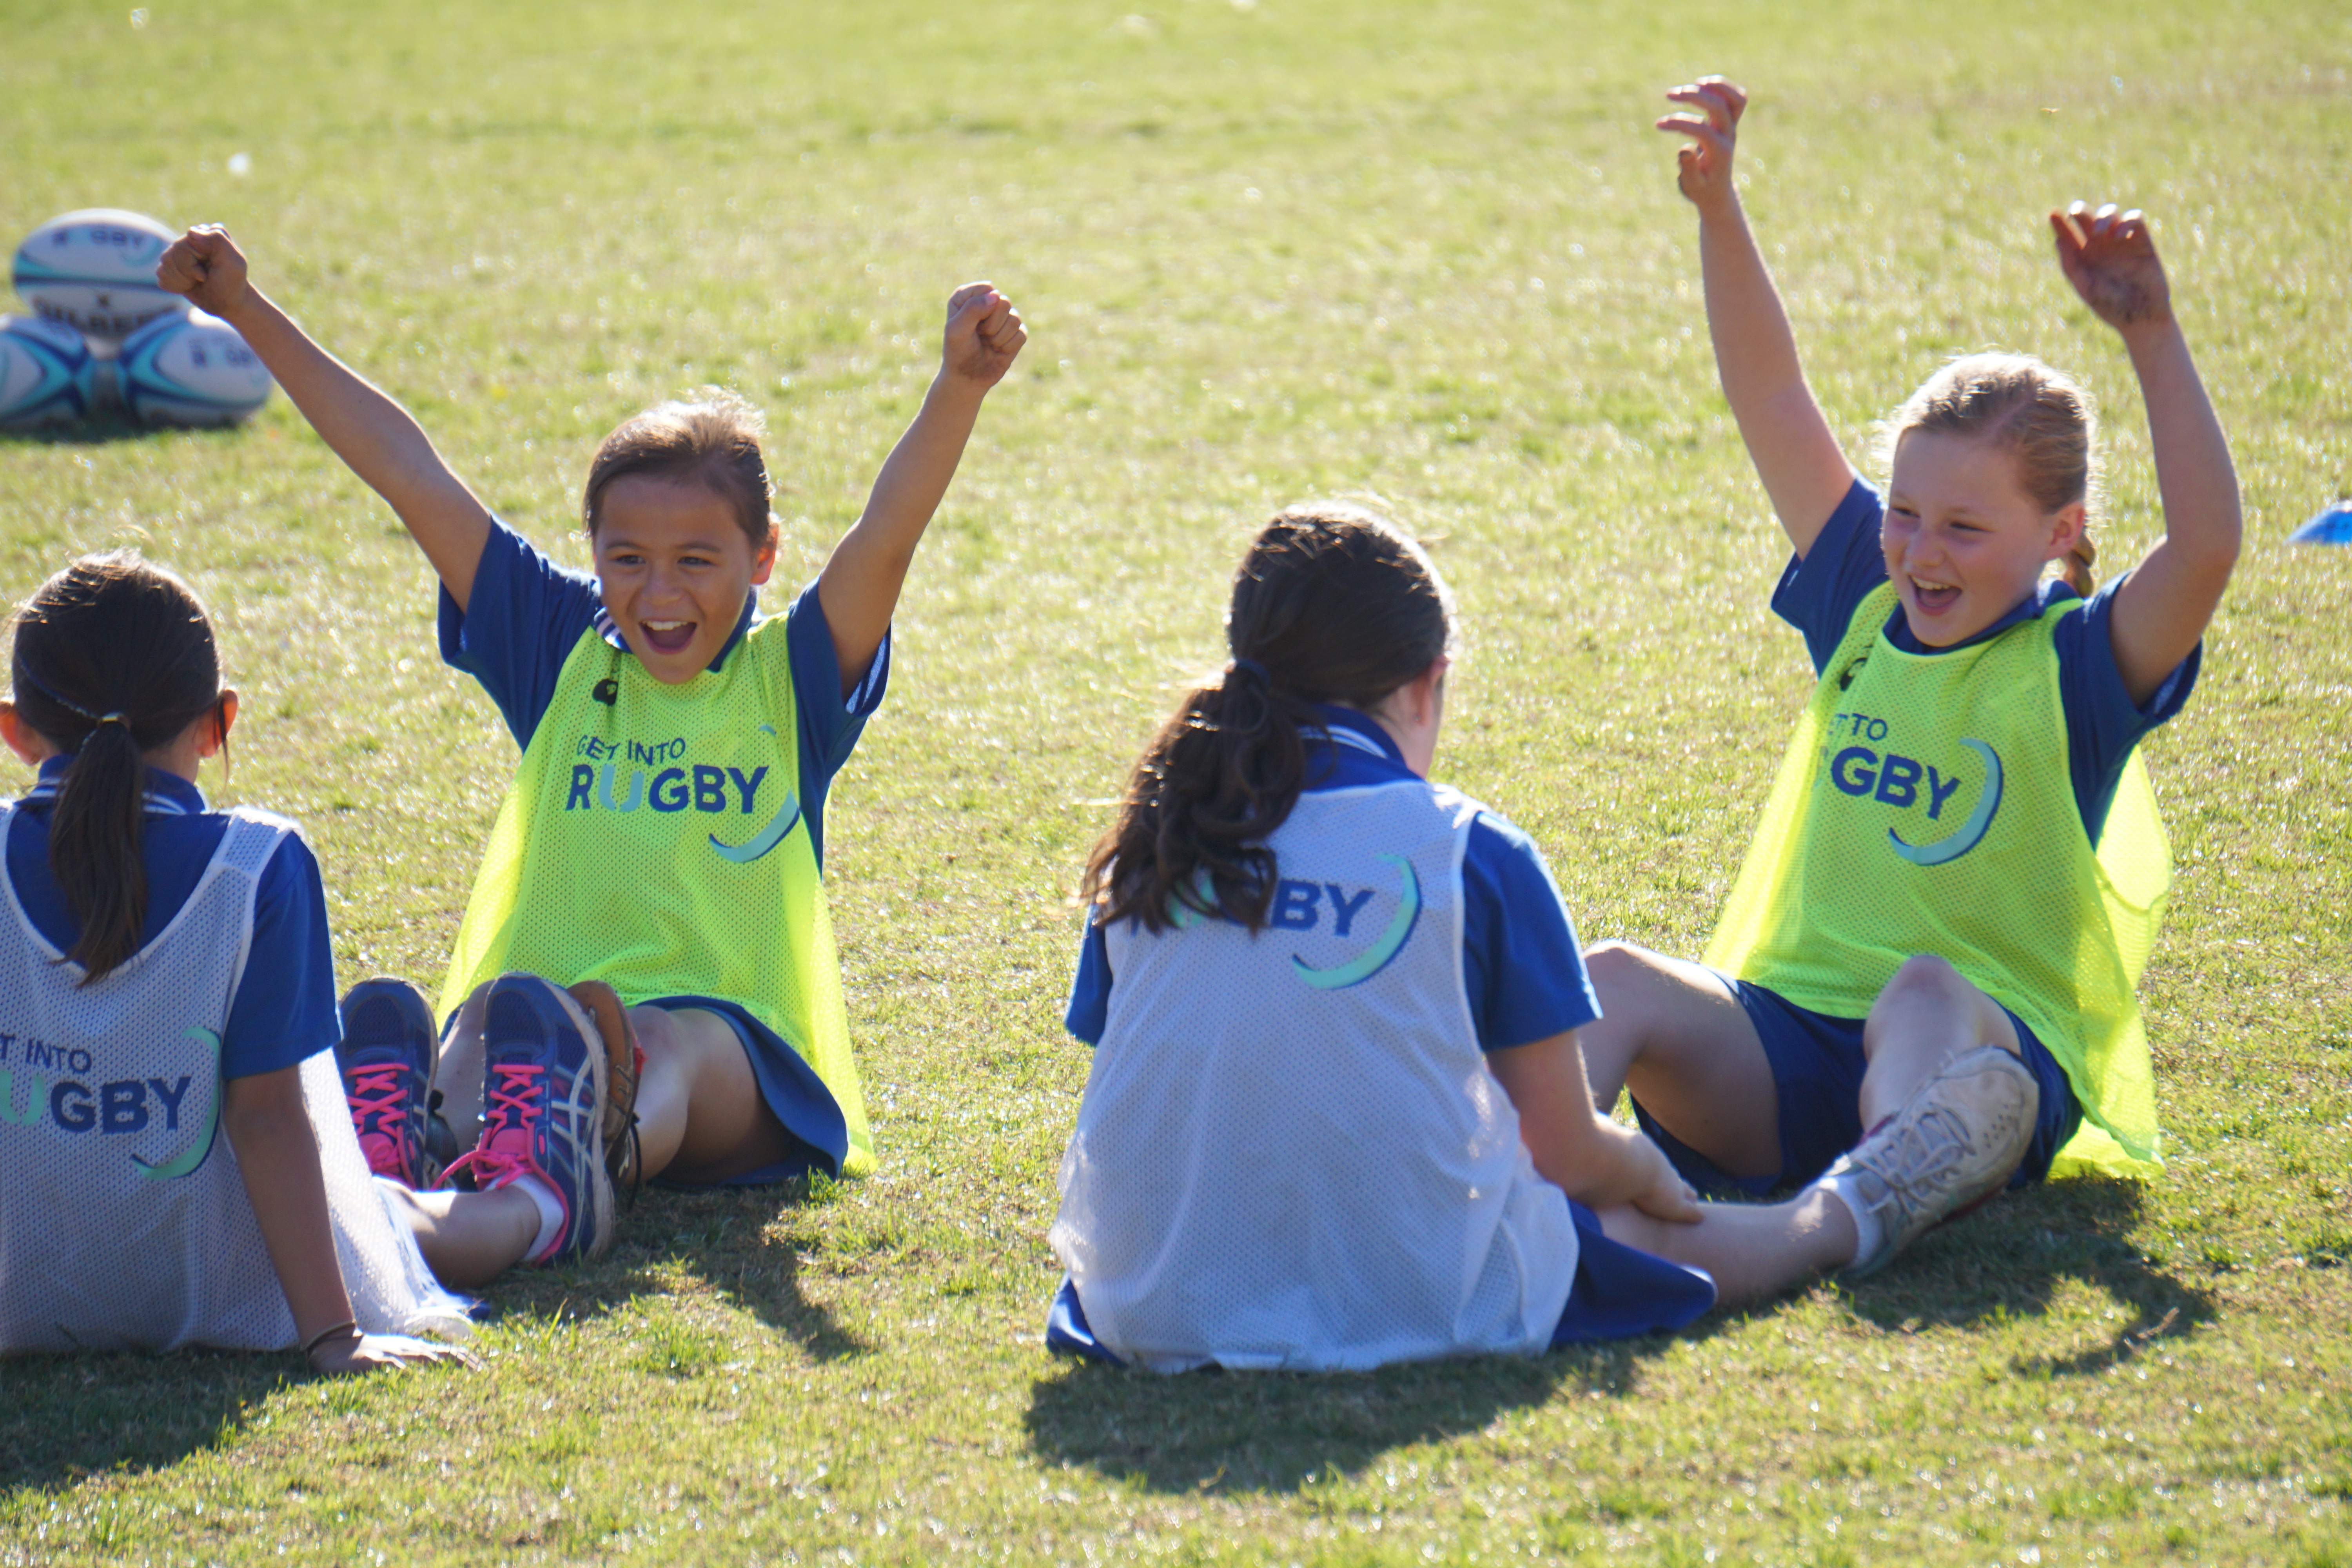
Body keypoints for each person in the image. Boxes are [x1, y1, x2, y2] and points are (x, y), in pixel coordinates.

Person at [153, 224, 1025, 1220]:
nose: (658, 592)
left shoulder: (793, 676)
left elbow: (889, 534)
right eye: (626, 558)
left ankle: (556, 1175)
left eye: (698, 559)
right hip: (538, 1040)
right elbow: (407, 469)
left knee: (674, 1039)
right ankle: (412, 1162)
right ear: (594, 553)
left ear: (765, 555)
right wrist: (246, 311)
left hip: (732, 1067)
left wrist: (959, 387)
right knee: (486, 1017)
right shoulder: (559, 646)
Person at [1569, 78, 2241, 1274]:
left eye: (1965, 530)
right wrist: (1720, 208)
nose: (1922, 552)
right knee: (1613, 979)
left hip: (1966, 1060)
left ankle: (1866, 1203)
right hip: (1788, 1041)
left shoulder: (2080, 668)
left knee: (1925, 987)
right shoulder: (1861, 606)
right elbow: (1771, 395)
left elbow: (2204, 550)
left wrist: (2152, 333)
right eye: (1908, 514)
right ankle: (1493, 1199)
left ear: (2057, 531)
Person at [1046, 505, 1877, 1374]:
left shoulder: (1159, 829)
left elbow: (1180, 1072)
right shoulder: (1466, 848)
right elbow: (1562, 1151)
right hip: (1402, 1299)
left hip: (1142, 1300)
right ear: (1424, 684)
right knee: (1625, 1229)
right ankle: (1851, 1212)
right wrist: (1639, 1163)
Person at [0, 553, 477, 1372]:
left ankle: (404, 1141)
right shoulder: (259, 864)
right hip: (232, 1291)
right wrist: (336, 1337)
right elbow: (266, 1119)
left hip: (18, 1300)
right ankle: (537, 1201)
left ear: (14, 728)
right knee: (388, 1214)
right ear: (218, 721)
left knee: (381, 1197)